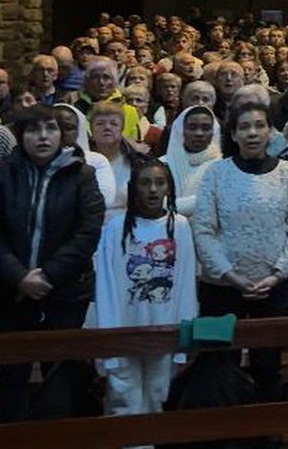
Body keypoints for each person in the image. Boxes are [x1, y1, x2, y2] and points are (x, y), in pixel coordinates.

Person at [0, 106, 105, 421]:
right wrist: (19, 277)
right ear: (21, 136)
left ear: (62, 134)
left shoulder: (82, 176)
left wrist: (47, 275)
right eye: (33, 130)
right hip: (10, 294)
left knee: (61, 378)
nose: (43, 136)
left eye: (50, 128)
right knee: (13, 379)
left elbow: (87, 232)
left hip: (64, 293)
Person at [191, 102, 288, 400]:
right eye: (244, 127)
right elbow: (203, 229)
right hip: (221, 286)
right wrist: (230, 275)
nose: (252, 133)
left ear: (271, 131)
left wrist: (277, 273)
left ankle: (265, 433)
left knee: (268, 365)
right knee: (216, 362)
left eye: (259, 125)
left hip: (275, 286)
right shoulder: (216, 173)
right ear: (233, 133)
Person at [90, 157, 199, 415]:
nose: (152, 190)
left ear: (168, 188)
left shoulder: (179, 226)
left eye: (159, 183)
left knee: (156, 396)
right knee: (123, 399)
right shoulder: (116, 228)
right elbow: (106, 285)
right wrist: (109, 336)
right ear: (132, 187)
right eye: (145, 183)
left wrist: (184, 335)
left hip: (164, 329)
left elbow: (185, 285)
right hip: (124, 329)